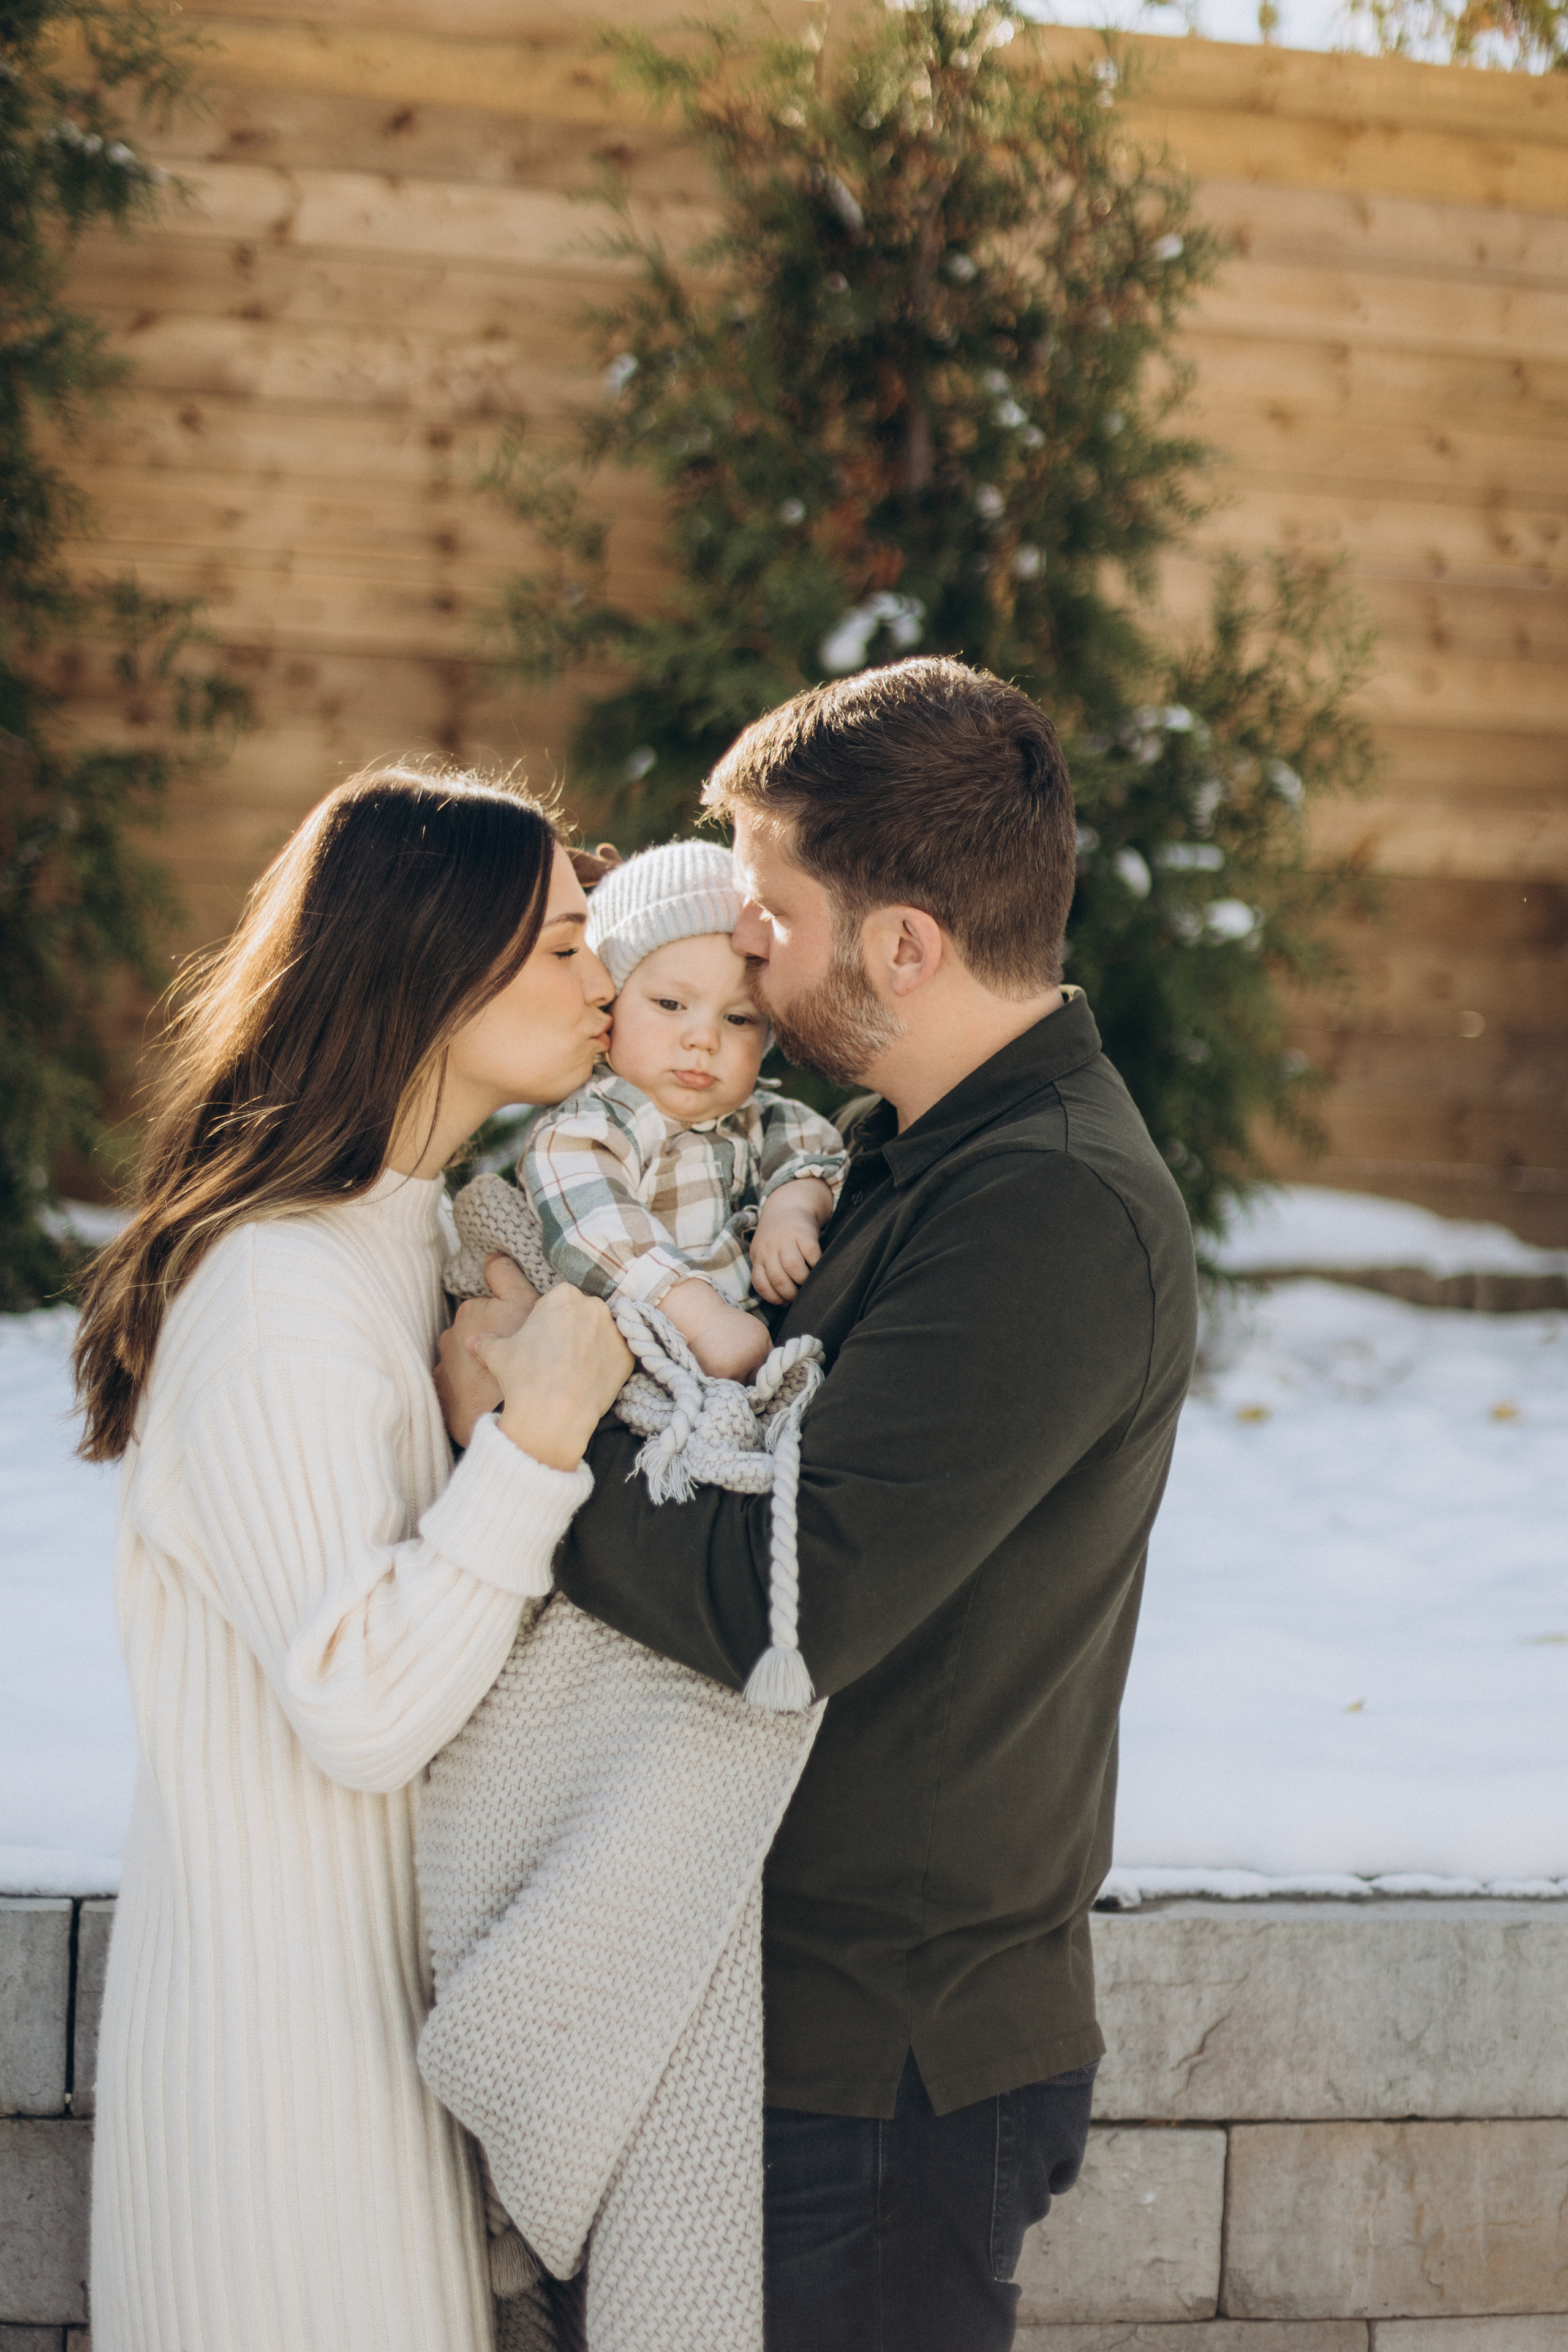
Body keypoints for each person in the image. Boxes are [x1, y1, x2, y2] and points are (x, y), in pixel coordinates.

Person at [439, 658, 1199, 2352]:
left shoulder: (1051, 1212)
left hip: (882, 2069)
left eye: (769, 912)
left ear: (905, 945)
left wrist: (529, 1432)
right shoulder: (884, 1151)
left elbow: (786, 1613)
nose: (737, 947)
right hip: (768, 2019)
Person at [72, 766, 632, 2352]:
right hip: (282, 2127)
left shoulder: (399, 1236)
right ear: (430, 967)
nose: (604, 985)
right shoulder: (278, 1301)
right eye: (562, 949)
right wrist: (534, 1446)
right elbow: (365, 1703)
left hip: (379, 2063)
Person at [450, 837, 846, 1383]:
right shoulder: (594, 1122)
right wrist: (700, 1317)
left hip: (737, 1360)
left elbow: (815, 1150)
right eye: (670, 1005)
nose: (703, 1038)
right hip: (630, 1355)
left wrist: (792, 1209)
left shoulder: (760, 1117)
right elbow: (594, 1223)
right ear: (610, 1001)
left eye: (739, 1020)